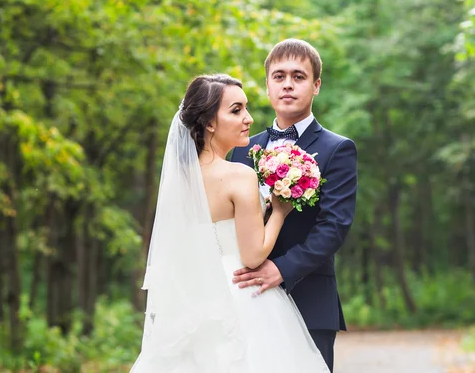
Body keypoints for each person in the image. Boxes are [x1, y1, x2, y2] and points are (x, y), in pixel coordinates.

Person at [130, 74, 329, 372]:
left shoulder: (179, 178)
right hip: (239, 293)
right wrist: (278, 211)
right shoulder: (239, 175)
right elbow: (252, 255)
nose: (248, 118)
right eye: (236, 110)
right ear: (210, 122)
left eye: (245, 108)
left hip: (191, 296)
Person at [230, 39, 358, 372]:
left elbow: (334, 227)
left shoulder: (337, 149)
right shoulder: (242, 150)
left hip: (309, 298)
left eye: (299, 76)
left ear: (316, 85)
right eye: (279, 76)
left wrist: (281, 269)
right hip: (247, 300)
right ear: (268, 85)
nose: (288, 84)